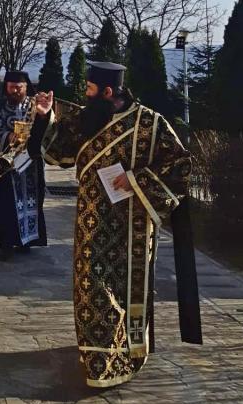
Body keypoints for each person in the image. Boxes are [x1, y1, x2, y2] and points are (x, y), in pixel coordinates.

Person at [29, 61, 202, 387]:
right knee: (88, 289)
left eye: (91, 89)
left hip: (131, 228)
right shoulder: (88, 118)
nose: (85, 94)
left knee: (121, 291)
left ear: (109, 92)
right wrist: (44, 115)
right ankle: (96, 355)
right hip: (90, 222)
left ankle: (124, 352)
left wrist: (136, 180)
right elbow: (58, 151)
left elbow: (180, 165)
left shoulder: (149, 123)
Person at [0, 71, 48, 261]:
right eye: (11, 87)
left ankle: (26, 242)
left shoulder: (34, 104)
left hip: (30, 166)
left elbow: (48, 129)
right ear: (6, 87)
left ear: (26, 87)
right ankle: (6, 246)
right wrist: (8, 137)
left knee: (30, 202)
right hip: (5, 167)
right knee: (5, 207)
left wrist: (45, 115)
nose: (15, 90)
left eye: (19, 87)